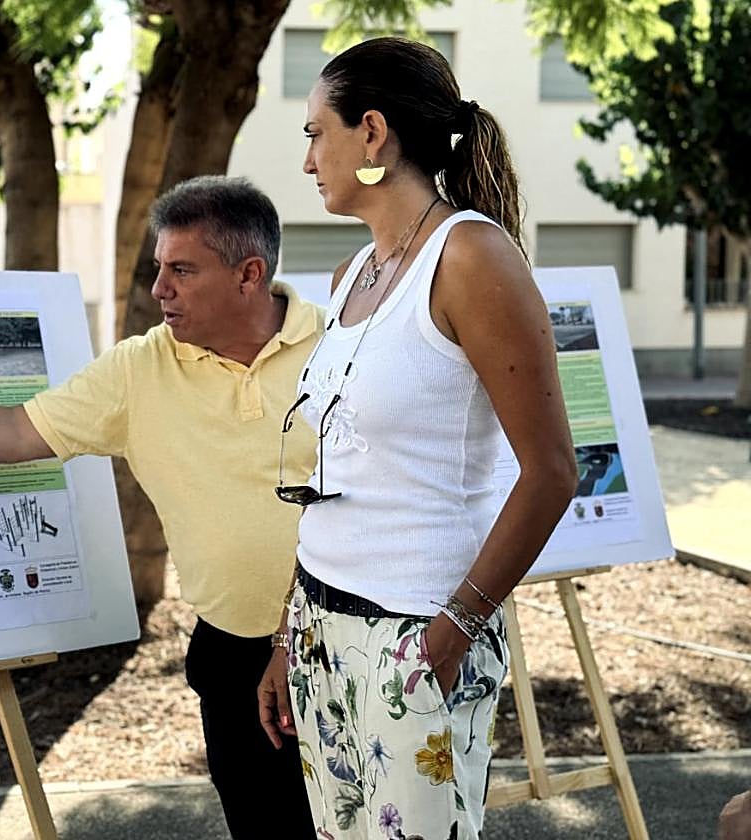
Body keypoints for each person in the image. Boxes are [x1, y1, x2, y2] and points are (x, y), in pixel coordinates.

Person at [0, 176, 320, 839]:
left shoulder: (338, 350)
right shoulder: (137, 370)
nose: (160, 290)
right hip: (233, 661)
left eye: (182, 270)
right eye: (159, 268)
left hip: (343, 644)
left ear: (249, 274)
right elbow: (13, 431)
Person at [256, 37, 577, 840]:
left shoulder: (472, 257)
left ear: (372, 134)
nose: (306, 161)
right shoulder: (350, 276)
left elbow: (551, 472)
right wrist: (289, 631)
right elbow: (338, 469)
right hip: (322, 628)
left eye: (313, 133)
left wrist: (451, 633)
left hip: (414, 635)